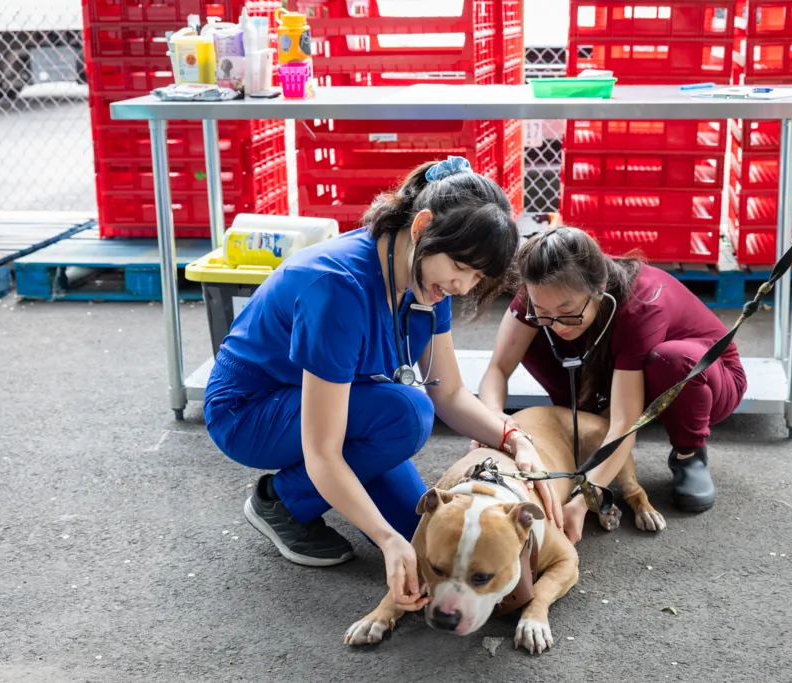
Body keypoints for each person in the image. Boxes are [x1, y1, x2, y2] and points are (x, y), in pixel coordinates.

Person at [202, 157, 563, 611]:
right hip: (249, 411)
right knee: (407, 416)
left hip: (341, 406)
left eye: (477, 277)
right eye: (460, 267)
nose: (463, 286)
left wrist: (516, 440)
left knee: (425, 537)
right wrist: (383, 539)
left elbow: (449, 394)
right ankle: (281, 501)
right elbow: (323, 450)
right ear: (422, 227)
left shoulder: (429, 280)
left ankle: (322, 501)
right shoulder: (336, 289)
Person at [478, 227, 747, 542]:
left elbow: (623, 425)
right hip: (620, 367)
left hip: (705, 379)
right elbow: (497, 368)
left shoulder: (642, 306)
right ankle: (579, 426)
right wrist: (494, 424)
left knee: (671, 359)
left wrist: (582, 501)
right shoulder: (540, 294)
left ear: (599, 289)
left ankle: (689, 454)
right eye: (542, 311)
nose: (556, 323)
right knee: (533, 338)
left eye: (567, 312)